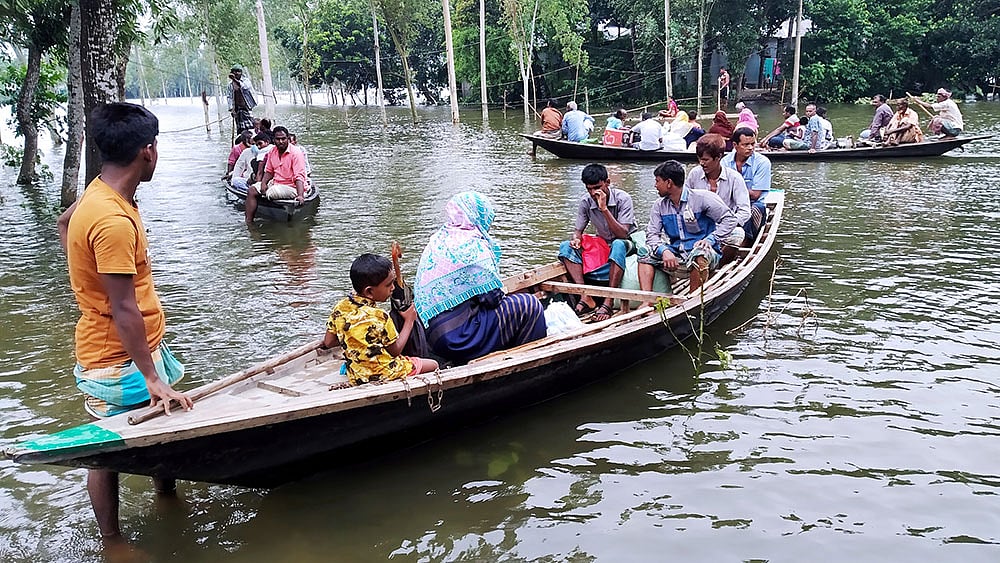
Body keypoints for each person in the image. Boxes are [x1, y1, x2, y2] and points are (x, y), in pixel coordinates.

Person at [55, 102, 194, 544]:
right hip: (118, 358)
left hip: (135, 346)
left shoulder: (100, 194)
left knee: (158, 432)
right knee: (105, 451)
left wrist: (84, 279)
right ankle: (112, 541)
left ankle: (167, 500)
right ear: (147, 152)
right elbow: (123, 307)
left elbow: (63, 224)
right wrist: (152, 376)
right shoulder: (112, 219)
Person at [414, 192, 546, 363]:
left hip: (431, 337)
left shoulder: (438, 240)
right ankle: (529, 361)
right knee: (530, 305)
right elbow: (492, 299)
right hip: (458, 339)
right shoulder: (473, 246)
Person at [324, 254, 439, 385]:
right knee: (433, 364)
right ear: (369, 292)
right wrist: (409, 321)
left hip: (357, 375)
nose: (393, 288)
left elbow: (329, 342)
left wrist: (355, 339)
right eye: (388, 284)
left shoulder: (340, 308)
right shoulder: (380, 316)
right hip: (385, 372)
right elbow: (395, 351)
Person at [638, 160, 738, 297]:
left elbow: (730, 219)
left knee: (699, 255)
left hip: (704, 253)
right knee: (644, 253)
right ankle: (646, 300)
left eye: (657, 181)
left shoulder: (702, 198)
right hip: (677, 252)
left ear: (669, 183)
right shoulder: (659, 206)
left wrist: (710, 239)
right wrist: (664, 250)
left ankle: (693, 299)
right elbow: (652, 234)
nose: (655, 185)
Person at [557, 163, 637, 321]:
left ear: (607, 182)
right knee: (565, 247)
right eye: (589, 189)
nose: (593, 193)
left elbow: (623, 233)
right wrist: (576, 240)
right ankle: (585, 294)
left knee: (618, 245)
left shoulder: (623, 199)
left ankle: (608, 300)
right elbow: (578, 231)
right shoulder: (586, 201)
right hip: (602, 244)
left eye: (597, 188)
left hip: (626, 244)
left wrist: (604, 209)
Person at [684, 134, 750, 262]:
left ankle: (719, 263)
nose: (701, 163)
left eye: (706, 160)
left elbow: (744, 211)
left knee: (738, 234)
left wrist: (726, 224)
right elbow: (685, 202)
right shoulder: (694, 174)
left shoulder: (734, 178)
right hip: (699, 227)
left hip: (723, 228)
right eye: (700, 159)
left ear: (718, 157)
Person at [245, 126, 307, 223]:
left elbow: (299, 176)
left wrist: (300, 195)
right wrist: (263, 183)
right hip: (276, 183)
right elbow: (269, 171)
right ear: (273, 140)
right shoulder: (272, 151)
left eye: (283, 139)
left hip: (292, 186)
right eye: (278, 139)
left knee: (271, 192)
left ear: (288, 139)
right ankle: (249, 222)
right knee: (252, 190)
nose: (281, 141)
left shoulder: (296, 153)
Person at [722, 127, 771, 243]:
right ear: (735, 145)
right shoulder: (724, 162)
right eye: (745, 144)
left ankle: (744, 242)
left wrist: (734, 187)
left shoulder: (762, 163)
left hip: (752, 203)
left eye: (753, 144)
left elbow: (755, 195)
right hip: (730, 202)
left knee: (754, 210)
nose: (750, 148)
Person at [226, 65, 257, 134]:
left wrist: (235, 80)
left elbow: (245, 87)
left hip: (247, 108)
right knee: (240, 130)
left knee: (251, 128)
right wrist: (231, 109)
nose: (236, 73)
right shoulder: (230, 85)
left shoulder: (246, 81)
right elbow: (229, 97)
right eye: (235, 72)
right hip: (237, 110)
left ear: (241, 73)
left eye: (238, 71)